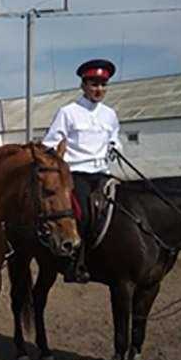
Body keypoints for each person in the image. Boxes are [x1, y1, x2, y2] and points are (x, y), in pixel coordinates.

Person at [42, 59, 122, 283]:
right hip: (77, 173)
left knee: (125, 210)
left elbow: (114, 137)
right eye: (94, 84)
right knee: (84, 214)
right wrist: (58, 155)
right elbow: (51, 142)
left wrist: (115, 147)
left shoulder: (110, 114)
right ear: (83, 85)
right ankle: (75, 262)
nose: (99, 89)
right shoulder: (68, 112)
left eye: (103, 84)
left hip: (103, 173)